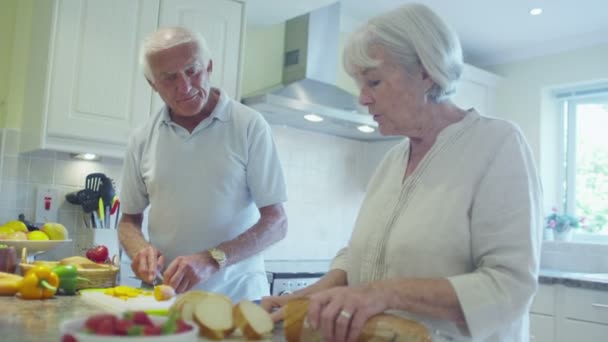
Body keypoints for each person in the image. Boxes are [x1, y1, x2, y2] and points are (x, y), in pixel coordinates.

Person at [261, 3, 542, 342]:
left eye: (374, 81)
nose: (363, 98)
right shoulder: (392, 160)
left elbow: (510, 286)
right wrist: (308, 295)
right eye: (359, 84)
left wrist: (385, 293)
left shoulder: (497, 144)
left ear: (426, 73)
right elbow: (360, 255)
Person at [118, 26, 288, 302]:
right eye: (169, 78)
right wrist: (140, 251)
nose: (184, 86)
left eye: (192, 71)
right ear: (153, 84)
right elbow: (128, 222)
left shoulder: (248, 126)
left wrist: (213, 259)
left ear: (209, 67)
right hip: (167, 302)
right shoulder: (142, 138)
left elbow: (277, 222)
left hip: (238, 302)